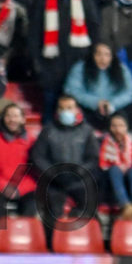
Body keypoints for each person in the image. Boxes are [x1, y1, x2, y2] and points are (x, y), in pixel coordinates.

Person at [29, 0, 99, 117]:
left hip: (78, 63)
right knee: (49, 110)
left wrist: (90, 59)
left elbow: (94, 28)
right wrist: (37, 64)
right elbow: (33, 33)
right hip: (50, 66)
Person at [30, 95, 100, 229]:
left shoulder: (86, 131)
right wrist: (53, 173)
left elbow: (93, 158)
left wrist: (78, 171)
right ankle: (52, 245)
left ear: (77, 110)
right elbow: (38, 157)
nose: (65, 111)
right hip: (54, 182)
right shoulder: (48, 130)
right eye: (61, 108)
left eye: (69, 108)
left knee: (90, 211)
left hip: (80, 181)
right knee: (52, 214)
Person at [0, 103, 38, 219]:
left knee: (31, 204)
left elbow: (36, 170)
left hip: (24, 188)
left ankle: (23, 236)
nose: (12, 119)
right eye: (8, 116)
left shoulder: (32, 142)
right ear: (3, 119)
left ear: (23, 119)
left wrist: (21, 188)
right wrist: (3, 186)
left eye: (15, 116)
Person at [64, 42, 132, 131]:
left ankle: (131, 138)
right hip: (90, 108)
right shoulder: (80, 68)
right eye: (98, 54)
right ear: (92, 55)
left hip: (113, 108)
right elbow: (71, 90)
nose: (102, 59)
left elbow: (130, 90)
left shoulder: (121, 69)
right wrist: (96, 103)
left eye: (107, 55)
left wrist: (113, 104)